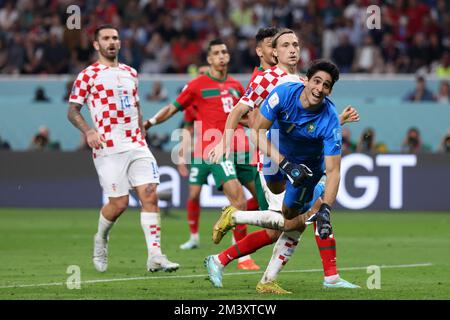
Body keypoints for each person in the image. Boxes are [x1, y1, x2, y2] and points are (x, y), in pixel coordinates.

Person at [207, 29, 359, 293]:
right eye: (285, 45)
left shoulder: (302, 81)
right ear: (273, 52)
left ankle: (245, 269)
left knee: (294, 223)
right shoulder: (268, 79)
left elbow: (307, 121)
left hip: (296, 159)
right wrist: (224, 142)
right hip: (273, 161)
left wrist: (338, 121)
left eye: (296, 45)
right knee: (294, 221)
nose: (292, 49)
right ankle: (236, 219)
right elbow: (239, 110)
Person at [67, 25, 179, 273]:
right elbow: (72, 110)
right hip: (108, 146)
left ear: (120, 43)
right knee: (119, 204)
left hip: (136, 144)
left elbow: (136, 106)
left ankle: (155, 255)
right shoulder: (88, 75)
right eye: (105, 38)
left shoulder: (131, 72)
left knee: (149, 194)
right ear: (96, 45)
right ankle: (101, 239)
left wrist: (142, 131)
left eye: (115, 38)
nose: (111, 42)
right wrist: (89, 131)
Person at [143, 39, 261, 270]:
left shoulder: (237, 85)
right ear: (209, 60)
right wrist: (151, 122)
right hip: (216, 150)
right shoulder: (197, 85)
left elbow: (244, 117)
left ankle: (230, 216)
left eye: (224, 52)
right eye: (216, 53)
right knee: (235, 198)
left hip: (242, 149)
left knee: (264, 200)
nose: (221, 56)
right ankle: (242, 257)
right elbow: (173, 107)